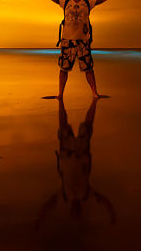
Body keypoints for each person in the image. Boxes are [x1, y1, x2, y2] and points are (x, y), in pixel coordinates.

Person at [34, 97, 115, 230]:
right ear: (80, 210)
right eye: (77, 212)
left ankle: (62, 101)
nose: (75, 209)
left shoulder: (65, 196)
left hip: (67, 154)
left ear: (71, 210)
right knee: (87, 126)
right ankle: (89, 101)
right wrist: (110, 212)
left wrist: (40, 218)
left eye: (74, 212)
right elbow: (101, 199)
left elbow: (50, 203)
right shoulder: (86, 194)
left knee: (64, 125)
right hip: (81, 153)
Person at [36, 0, 117, 98]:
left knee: (88, 69)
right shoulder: (66, 2)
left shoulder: (88, 2)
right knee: (63, 69)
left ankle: (95, 93)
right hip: (67, 41)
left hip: (83, 42)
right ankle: (60, 94)